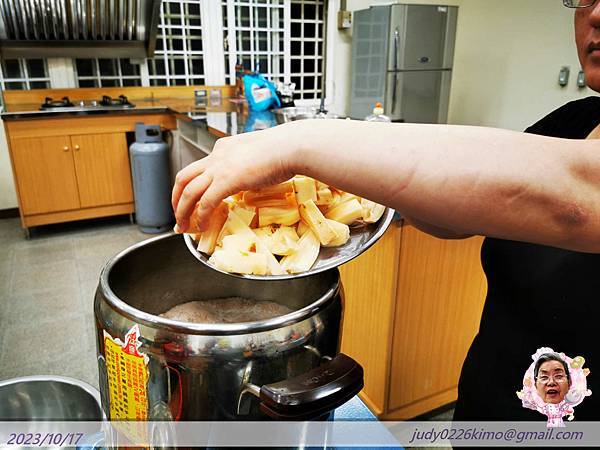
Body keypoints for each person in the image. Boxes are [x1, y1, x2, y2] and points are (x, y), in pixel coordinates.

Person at [172, 0, 600, 422]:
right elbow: (461, 217)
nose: (596, 14)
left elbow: (575, 199)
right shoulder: (569, 123)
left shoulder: (580, 176)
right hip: (489, 412)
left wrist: (297, 143)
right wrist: (368, 190)